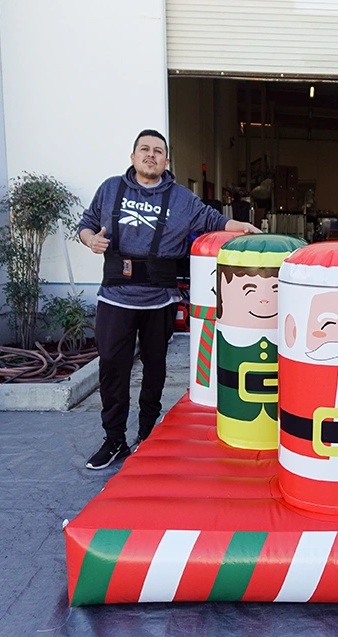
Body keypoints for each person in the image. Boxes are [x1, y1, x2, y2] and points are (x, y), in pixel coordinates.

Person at [78, 129, 258, 470]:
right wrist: (90, 240)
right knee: (112, 370)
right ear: (132, 157)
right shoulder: (109, 189)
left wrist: (243, 228)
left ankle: (147, 434)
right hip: (115, 298)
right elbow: (86, 224)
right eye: (144, 149)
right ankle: (114, 439)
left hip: (159, 300)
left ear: (166, 161)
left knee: (155, 369)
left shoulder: (182, 198)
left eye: (158, 151)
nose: (151, 155)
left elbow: (214, 220)